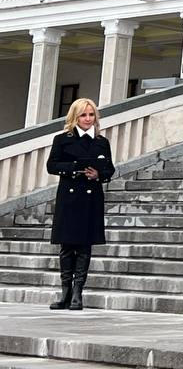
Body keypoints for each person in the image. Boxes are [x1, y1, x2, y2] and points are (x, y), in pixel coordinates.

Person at [47, 98, 114, 311]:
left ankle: (78, 293)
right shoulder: (62, 139)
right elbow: (52, 165)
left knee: (84, 247)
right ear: (75, 117)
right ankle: (65, 293)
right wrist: (74, 167)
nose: (87, 119)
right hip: (69, 197)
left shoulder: (102, 142)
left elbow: (110, 169)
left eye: (91, 114)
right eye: (83, 115)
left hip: (90, 197)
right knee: (67, 246)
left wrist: (98, 174)